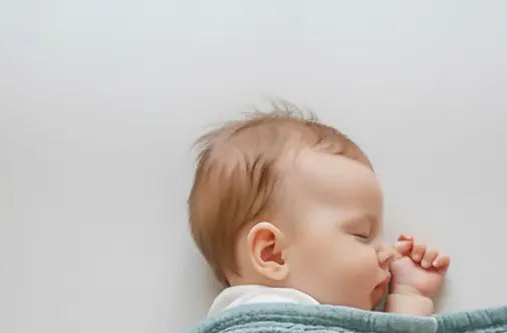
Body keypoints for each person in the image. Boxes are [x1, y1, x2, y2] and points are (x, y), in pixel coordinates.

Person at [188, 105, 450, 318]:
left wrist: (407, 292)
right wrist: (409, 299)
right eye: (362, 234)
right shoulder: (267, 317)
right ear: (273, 253)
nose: (390, 253)